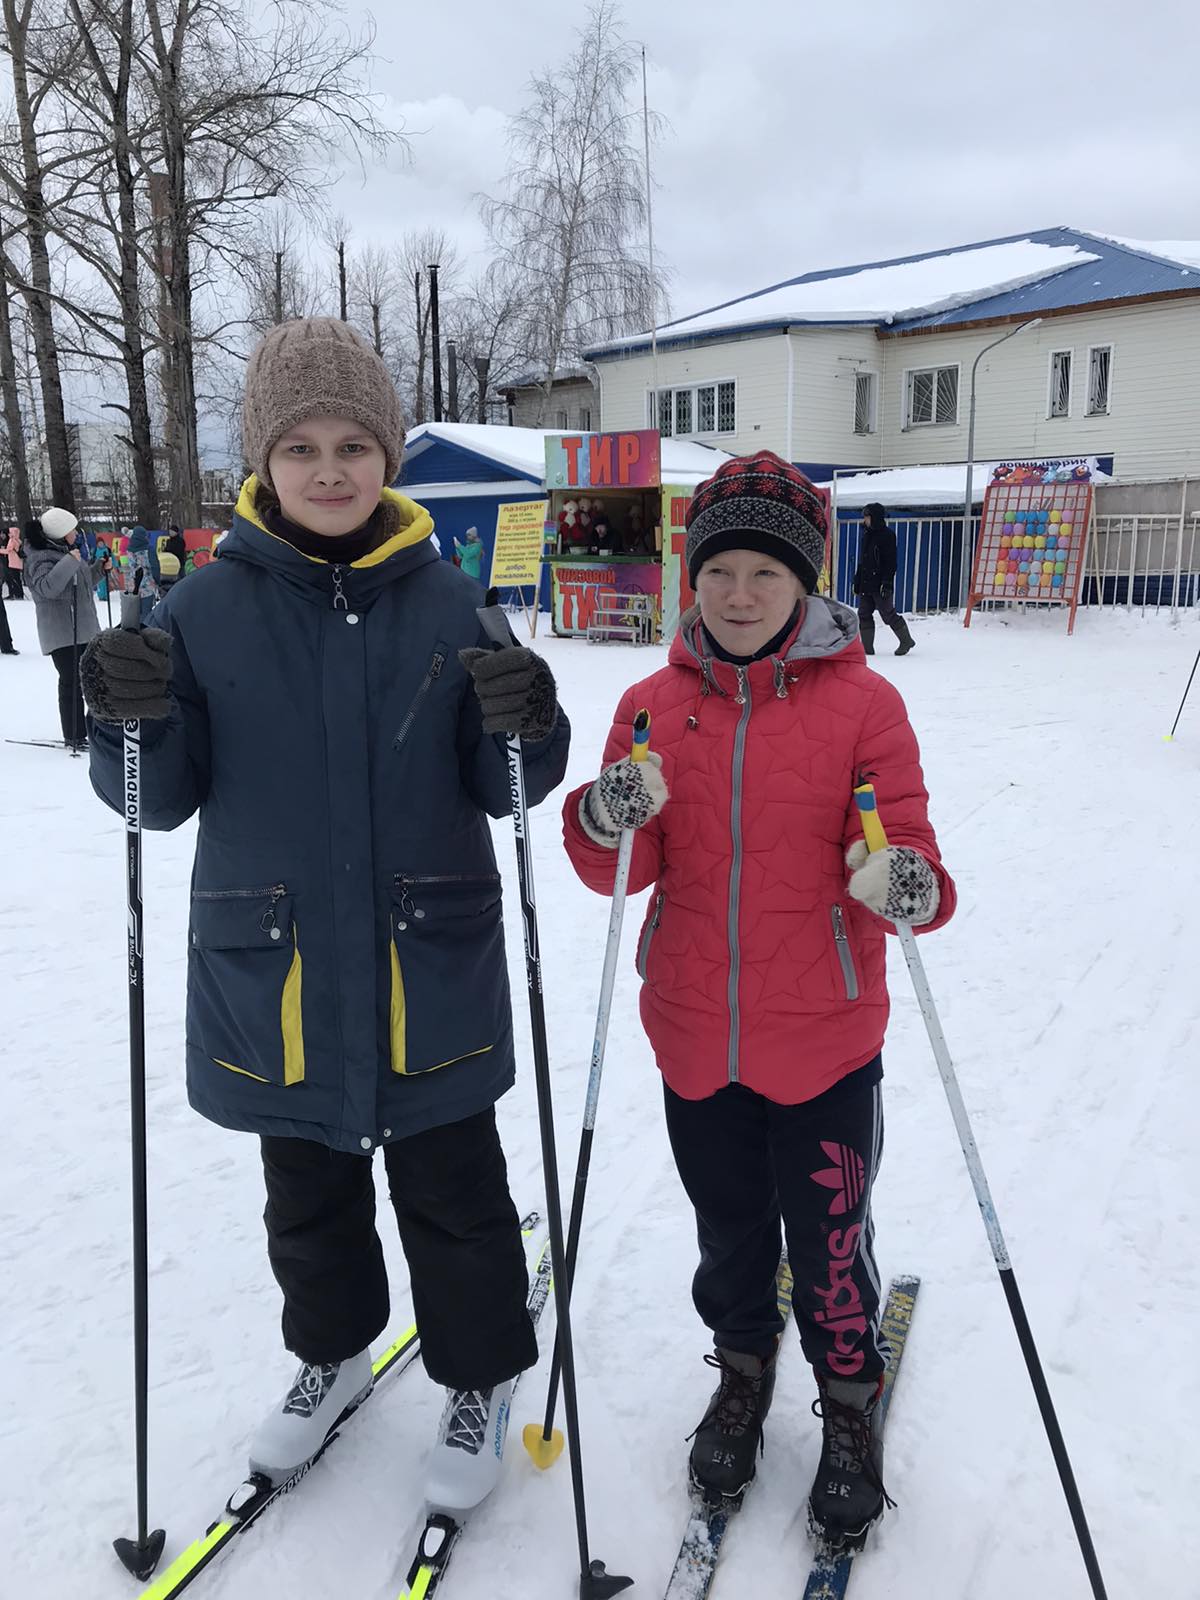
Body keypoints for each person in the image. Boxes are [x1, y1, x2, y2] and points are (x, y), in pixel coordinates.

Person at [81, 317, 570, 1515]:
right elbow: (155, 798)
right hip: (279, 971)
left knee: (454, 1192)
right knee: (305, 1195)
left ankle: (478, 1372)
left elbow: (505, 785)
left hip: (424, 964)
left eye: (354, 443)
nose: (331, 469)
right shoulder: (200, 609)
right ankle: (333, 1351)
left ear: (388, 456)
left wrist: (529, 720)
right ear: (262, 460)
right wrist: (128, 719)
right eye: (300, 446)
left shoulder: (452, 600)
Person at [562, 451, 954, 1553]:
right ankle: (742, 1370)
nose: (739, 594)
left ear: (805, 582)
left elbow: (914, 855)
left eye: (765, 574)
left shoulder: (866, 704)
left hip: (826, 1039)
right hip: (695, 1035)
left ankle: (849, 1398)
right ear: (691, 577)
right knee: (729, 1232)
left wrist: (902, 879)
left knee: (829, 1245)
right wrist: (603, 814)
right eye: (719, 571)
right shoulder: (650, 707)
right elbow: (617, 869)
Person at [23, 508, 110, 743]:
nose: (76, 533)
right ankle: (74, 734)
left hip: (84, 629)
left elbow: (81, 585)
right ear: (60, 533)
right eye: (72, 529)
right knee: (71, 683)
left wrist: (99, 568)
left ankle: (96, 728)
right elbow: (47, 588)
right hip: (62, 632)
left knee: (92, 680)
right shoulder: (40, 557)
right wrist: (69, 562)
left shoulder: (67, 553)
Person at [853, 502, 914, 657]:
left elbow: (890, 563)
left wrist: (887, 583)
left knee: (887, 614)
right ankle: (867, 649)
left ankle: (906, 641)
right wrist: (857, 580)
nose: (865, 520)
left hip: (880, 583)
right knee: (864, 613)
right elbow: (863, 561)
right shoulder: (866, 535)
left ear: (875, 518)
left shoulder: (887, 535)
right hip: (866, 582)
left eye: (867, 517)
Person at [123, 526, 160, 621]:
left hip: (133, 585)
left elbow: (129, 567)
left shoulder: (129, 549)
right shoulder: (149, 549)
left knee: (135, 613)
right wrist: (157, 581)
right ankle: (145, 629)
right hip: (147, 585)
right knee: (146, 612)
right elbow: (155, 567)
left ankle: (135, 628)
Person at [2, 525, 23, 599]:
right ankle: (19, 594)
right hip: (18, 562)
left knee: (14, 579)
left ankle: (17, 594)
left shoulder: (12, 540)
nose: (8, 534)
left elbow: (8, 550)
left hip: (13, 562)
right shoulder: (18, 540)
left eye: (9, 532)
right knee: (17, 579)